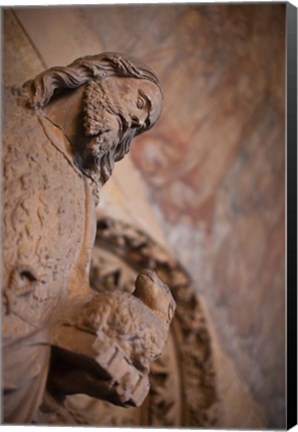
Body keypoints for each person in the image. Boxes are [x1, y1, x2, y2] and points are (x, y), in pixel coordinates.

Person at [2, 52, 164, 423]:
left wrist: (127, 331)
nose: (138, 120)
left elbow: (69, 297)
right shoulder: (11, 110)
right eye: (141, 102)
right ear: (102, 72)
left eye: (142, 126)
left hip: (15, 357)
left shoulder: (85, 196)